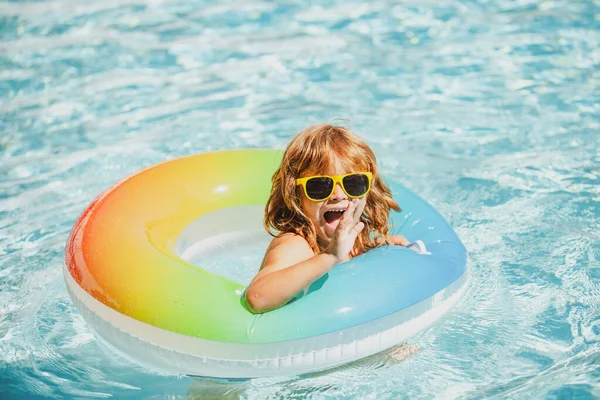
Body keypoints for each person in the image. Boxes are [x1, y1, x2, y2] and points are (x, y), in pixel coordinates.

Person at [244, 124, 417, 314]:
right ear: (295, 196)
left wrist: (384, 245)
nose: (338, 195)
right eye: (320, 186)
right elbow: (257, 298)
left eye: (353, 183)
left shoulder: (355, 235)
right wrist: (329, 257)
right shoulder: (296, 244)